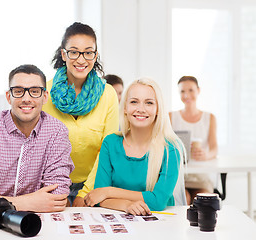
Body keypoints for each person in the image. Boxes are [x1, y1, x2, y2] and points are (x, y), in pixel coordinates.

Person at [0, 64, 74, 213]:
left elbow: (56, 199)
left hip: (38, 224)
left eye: (34, 92)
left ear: (45, 97)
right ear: (8, 97)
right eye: (18, 91)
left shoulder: (57, 132)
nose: (26, 99)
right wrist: (28, 203)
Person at [43, 22, 119, 205]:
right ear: (64, 54)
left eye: (88, 52)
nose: (81, 59)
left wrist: (84, 193)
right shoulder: (45, 92)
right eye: (74, 51)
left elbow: (107, 150)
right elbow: (40, 150)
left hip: (96, 184)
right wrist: (59, 190)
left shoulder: (108, 94)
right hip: (50, 185)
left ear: (95, 55)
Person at [83, 78, 184, 215]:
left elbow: (158, 201)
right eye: (134, 102)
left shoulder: (171, 148)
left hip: (159, 223)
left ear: (158, 109)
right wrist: (127, 205)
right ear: (125, 108)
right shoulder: (110, 143)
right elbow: (98, 198)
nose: (141, 109)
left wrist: (109, 192)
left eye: (149, 103)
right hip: (118, 223)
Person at [169, 76, 218, 205]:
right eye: (182, 91)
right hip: (179, 176)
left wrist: (206, 154)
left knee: (202, 202)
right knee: (183, 200)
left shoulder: (210, 118)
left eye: (191, 90)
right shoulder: (171, 117)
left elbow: (214, 148)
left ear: (198, 90)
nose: (187, 95)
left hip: (201, 175)